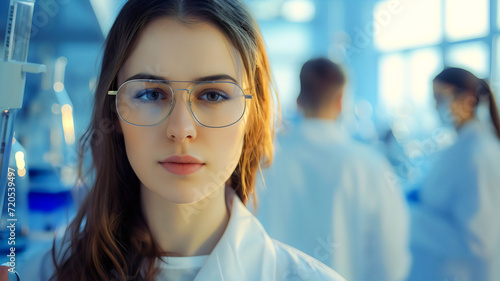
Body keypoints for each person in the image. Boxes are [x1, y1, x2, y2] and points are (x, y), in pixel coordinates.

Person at [38, 1, 345, 280]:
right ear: (114, 112)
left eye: (213, 95)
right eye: (151, 94)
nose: (181, 129)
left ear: (253, 114)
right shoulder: (33, 273)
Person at [252, 58, 411, 281]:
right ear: (341, 101)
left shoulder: (263, 163)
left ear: (298, 100)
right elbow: (391, 259)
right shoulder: (370, 165)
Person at [407, 67, 500, 281]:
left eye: (440, 98)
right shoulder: (461, 147)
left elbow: (477, 241)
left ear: (467, 100)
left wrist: (410, 215)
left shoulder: (478, 154)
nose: (435, 107)